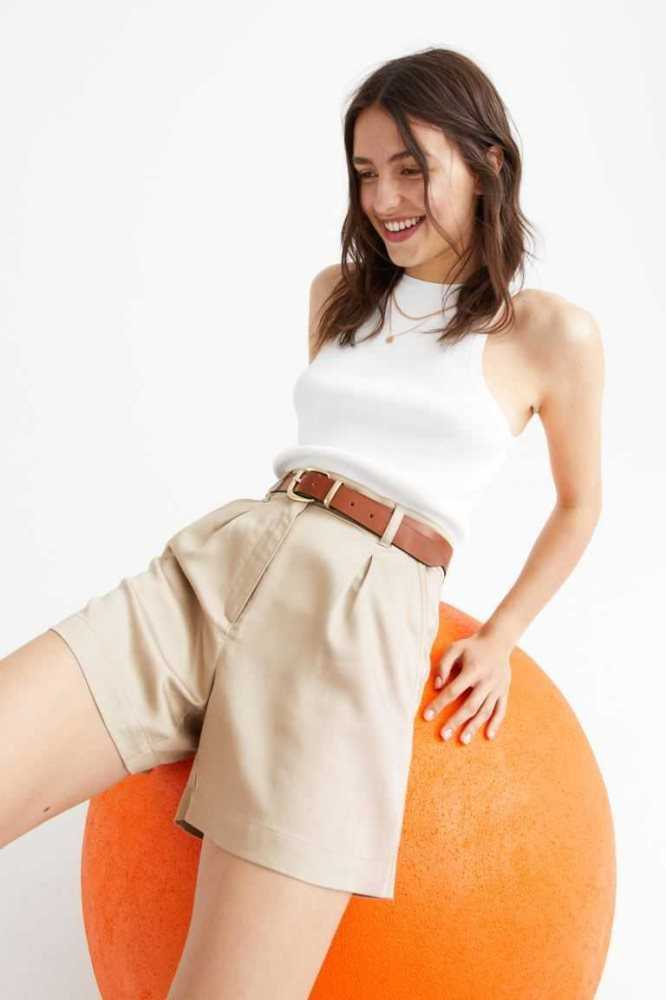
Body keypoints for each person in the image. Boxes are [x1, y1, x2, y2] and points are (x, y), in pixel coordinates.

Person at [0, 47, 604, 999]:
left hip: (356, 622)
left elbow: (580, 503)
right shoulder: (337, 296)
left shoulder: (548, 335)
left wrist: (502, 636)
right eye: (366, 172)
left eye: (411, 168)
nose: (385, 198)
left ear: (488, 163)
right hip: (227, 561)